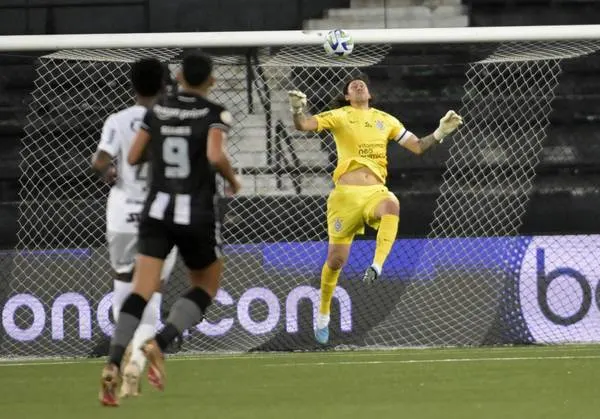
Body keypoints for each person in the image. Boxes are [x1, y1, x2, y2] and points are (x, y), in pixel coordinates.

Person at [99, 51, 241, 406]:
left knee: (140, 289)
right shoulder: (214, 114)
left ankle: (114, 359)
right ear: (211, 80)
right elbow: (214, 154)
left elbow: (132, 158)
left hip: (156, 212)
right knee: (206, 285)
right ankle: (159, 343)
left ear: (178, 76)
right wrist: (231, 179)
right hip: (194, 213)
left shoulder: (156, 112)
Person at [288, 77, 463, 345]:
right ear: (347, 96)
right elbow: (304, 126)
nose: (358, 86)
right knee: (335, 261)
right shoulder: (339, 116)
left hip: (374, 192)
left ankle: (377, 264)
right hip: (344, 198)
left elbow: (416, 146)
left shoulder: (387, 120)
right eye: (352, 85)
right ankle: (323, 312)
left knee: (392, 204)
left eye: (362, 84)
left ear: (369, 92)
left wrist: (439, 133)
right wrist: (297, 110)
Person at [92, 57, 178, 398]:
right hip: (157, 214)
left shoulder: (117, 119)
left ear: (133, 86)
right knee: (152, 291)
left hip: (121, 213)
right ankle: (135, 364)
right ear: (162, 86)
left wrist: (111, 174)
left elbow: (99, 161)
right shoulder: (170, 120)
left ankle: (124, 351)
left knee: (124, 287)